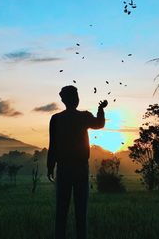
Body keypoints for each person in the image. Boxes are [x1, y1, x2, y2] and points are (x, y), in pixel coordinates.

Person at [47, 85, 107, 239]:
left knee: (62, 210)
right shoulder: (84, 116)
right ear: (73, 99)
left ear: (63, 100)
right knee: (81, 211)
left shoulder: (56, 119)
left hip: (64, 168)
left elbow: (52, 145)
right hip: (80, 168)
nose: (77, 99)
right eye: (76, 96)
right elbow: (99, 124)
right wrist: (101, 109)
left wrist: (50, 166)